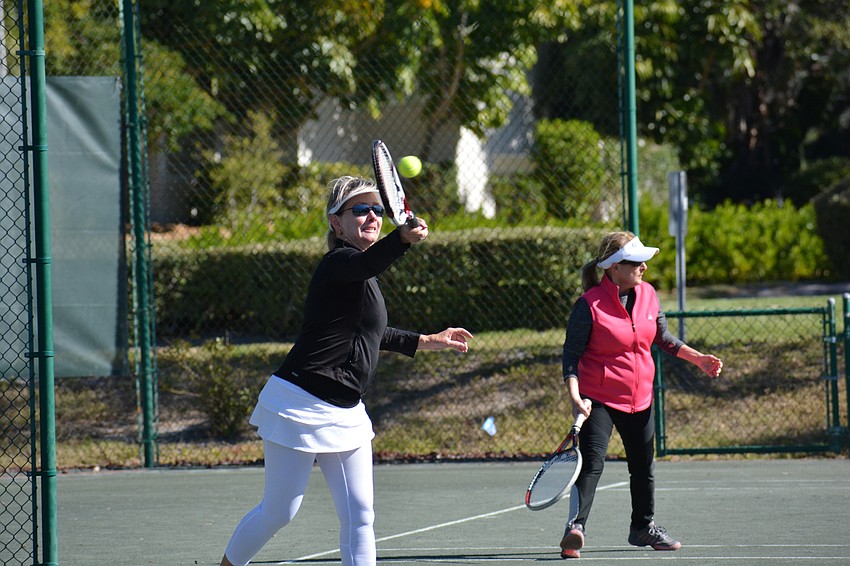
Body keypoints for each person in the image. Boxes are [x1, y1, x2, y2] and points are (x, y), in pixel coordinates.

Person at [219, 176, 473, 566]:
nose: (372, 215)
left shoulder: (363, 277)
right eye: (360, 209)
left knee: (360, 516)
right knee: (279, 511)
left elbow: (372, 332)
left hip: (347, 410)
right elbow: (371, 260)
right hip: (299, 402)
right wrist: (402, 239)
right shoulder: (339, 263)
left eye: (377, 209)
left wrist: (428, 339)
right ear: (336, 223)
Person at [557, 231, 722, 559]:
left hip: (640, 397)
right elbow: (571, 355)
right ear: (614, 268)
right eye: (635, 262)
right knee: (592, 463)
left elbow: (662, 337)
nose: (644, 267)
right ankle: (575, 529)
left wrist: (698, 359)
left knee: (643, 466)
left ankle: (643, 528)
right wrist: (576, 395)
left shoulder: (648, 294)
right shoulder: (588, 305)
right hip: (597, 397)